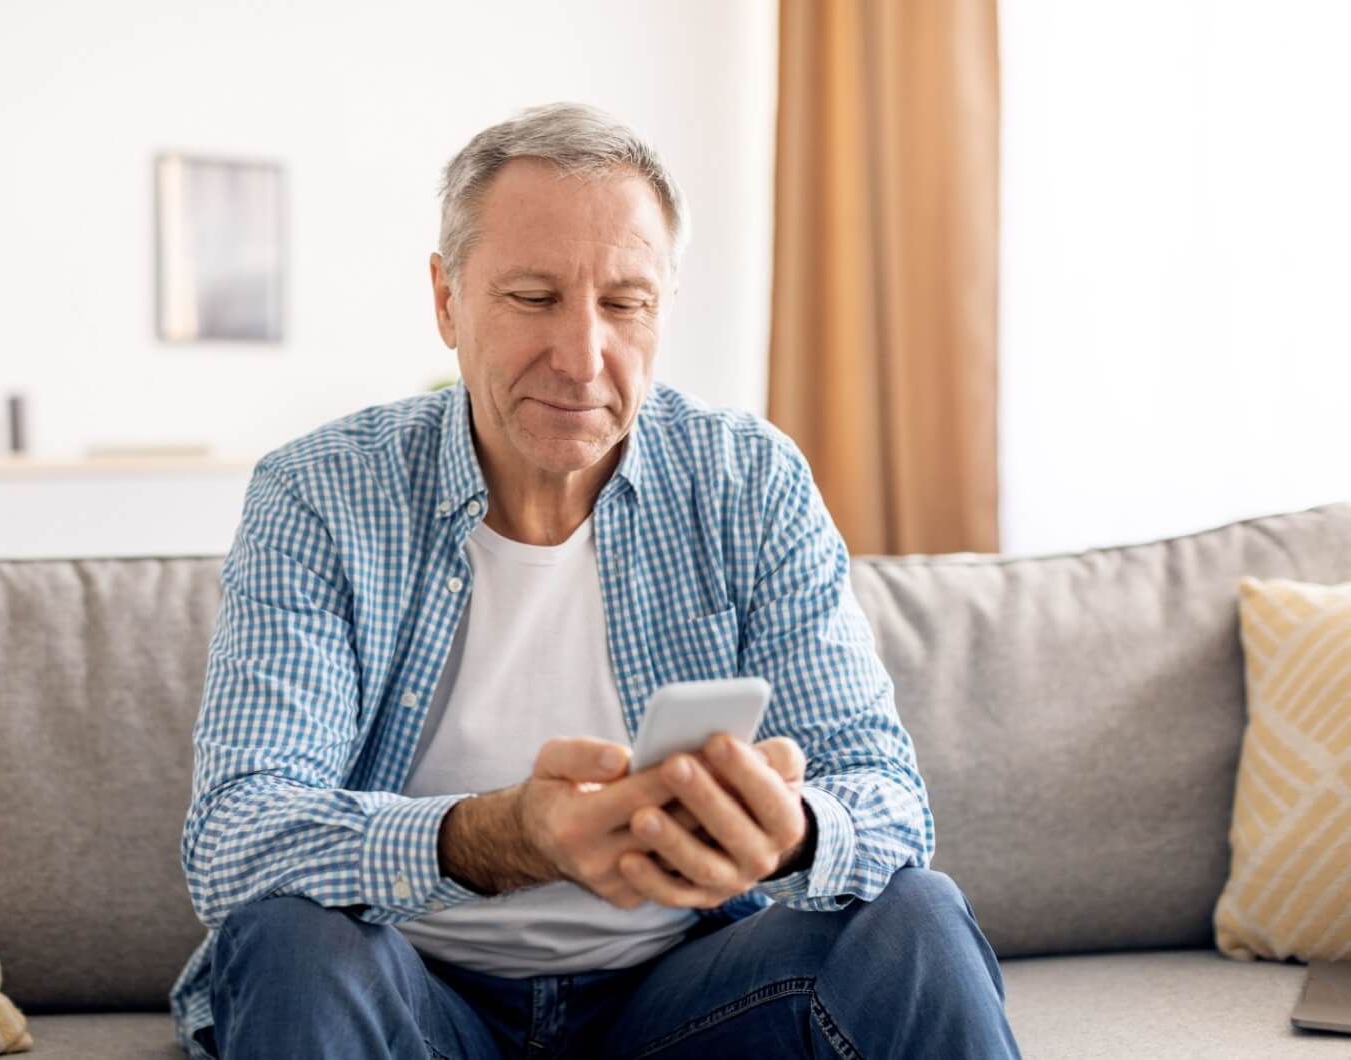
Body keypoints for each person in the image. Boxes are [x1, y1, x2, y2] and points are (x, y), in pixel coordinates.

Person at [169, 101, 1022, 1059]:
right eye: (533, 297)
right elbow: (238, 838)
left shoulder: (749, 480)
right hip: (413, 995)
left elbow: (891, 801)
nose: (583, 359)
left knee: (916, 917)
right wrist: (507, 838)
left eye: (624, 303)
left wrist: (792, 836)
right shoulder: (321, 493)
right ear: (447, 300)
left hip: (684, 995)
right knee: (290, 939)